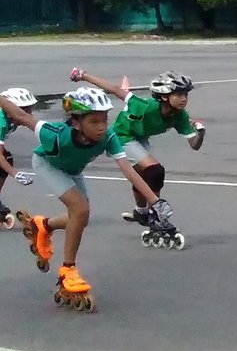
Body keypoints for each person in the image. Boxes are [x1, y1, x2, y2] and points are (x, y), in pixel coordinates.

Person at [0, 86, 167, 310]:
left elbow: (128, 170)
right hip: (48, 165)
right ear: (77, 122)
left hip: (73, 170)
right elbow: (21, 115)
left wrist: (156, 202)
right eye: (94, 121)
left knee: (79, 218)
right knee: (80, 210)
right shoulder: (54, 133)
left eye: (104, 120)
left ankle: (43, 225)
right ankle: (68, 270)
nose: (101, 127)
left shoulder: (109, 137)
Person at [69, 68, 202, 243]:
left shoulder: (180, 116)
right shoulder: (143, 105)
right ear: (163, 96)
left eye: (185, 94)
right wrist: (83, 76)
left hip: (139, 138)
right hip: (121, 137)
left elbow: (194, 145)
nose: (184, 99)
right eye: (178, 94)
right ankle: (153, 213)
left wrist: (201, 132)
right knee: (155, 171)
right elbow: (115, 90)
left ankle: (142, 212)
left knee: (147, 175)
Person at [0, 87, 39, 229]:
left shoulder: (10, 117)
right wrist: (16, 174)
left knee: (7, 158)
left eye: (29, 110)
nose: (27, 114)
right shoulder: (1, 121)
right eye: (24, 110)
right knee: (5, 161)